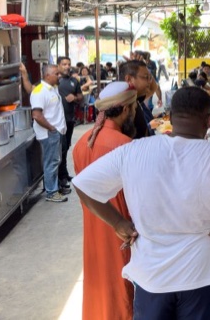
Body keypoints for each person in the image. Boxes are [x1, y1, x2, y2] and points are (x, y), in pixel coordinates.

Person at [72, 87, 210, 319]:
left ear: (169, 116)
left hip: (152, 278)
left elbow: (82, 184)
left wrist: (117, 222)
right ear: (209, 119)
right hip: (200, 276)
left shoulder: (134, 151)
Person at [72, 82, 137, 320]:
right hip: (122, 231)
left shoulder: (82, 143)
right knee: (122, 292)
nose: (135, 111)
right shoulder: (124, 146)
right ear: (124, 110)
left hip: (94, 228)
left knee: (98, 288)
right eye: (133, 106)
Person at [30, 64, 70, 203]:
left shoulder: (52, 88)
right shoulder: (39, 91)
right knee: (51, 162)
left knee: (56, 160)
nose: (59, 76)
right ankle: (51, 192)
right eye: (56, 74)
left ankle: (56, 186)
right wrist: (51, 128)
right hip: (49, 133)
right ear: (47, 76)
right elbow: (36, 115)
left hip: (56, 131)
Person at [58, 57, 84, 187]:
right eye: (64, 64)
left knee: (66, 146)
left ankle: (64, 173)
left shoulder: (74, 81)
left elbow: (81, 96)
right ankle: (60, 177)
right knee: (60, 149)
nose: (67, 66)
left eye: (68, 64)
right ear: (58, 66)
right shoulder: (54, 81)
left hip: (69, 119)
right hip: (57, 122)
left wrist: (74, 97)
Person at [120, 60, 156, 138]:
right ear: (129, 79)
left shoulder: (137, 98)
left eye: (150, 78)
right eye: (146, 77)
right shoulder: (123, 107)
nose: (149, 81)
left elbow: (153, 88)